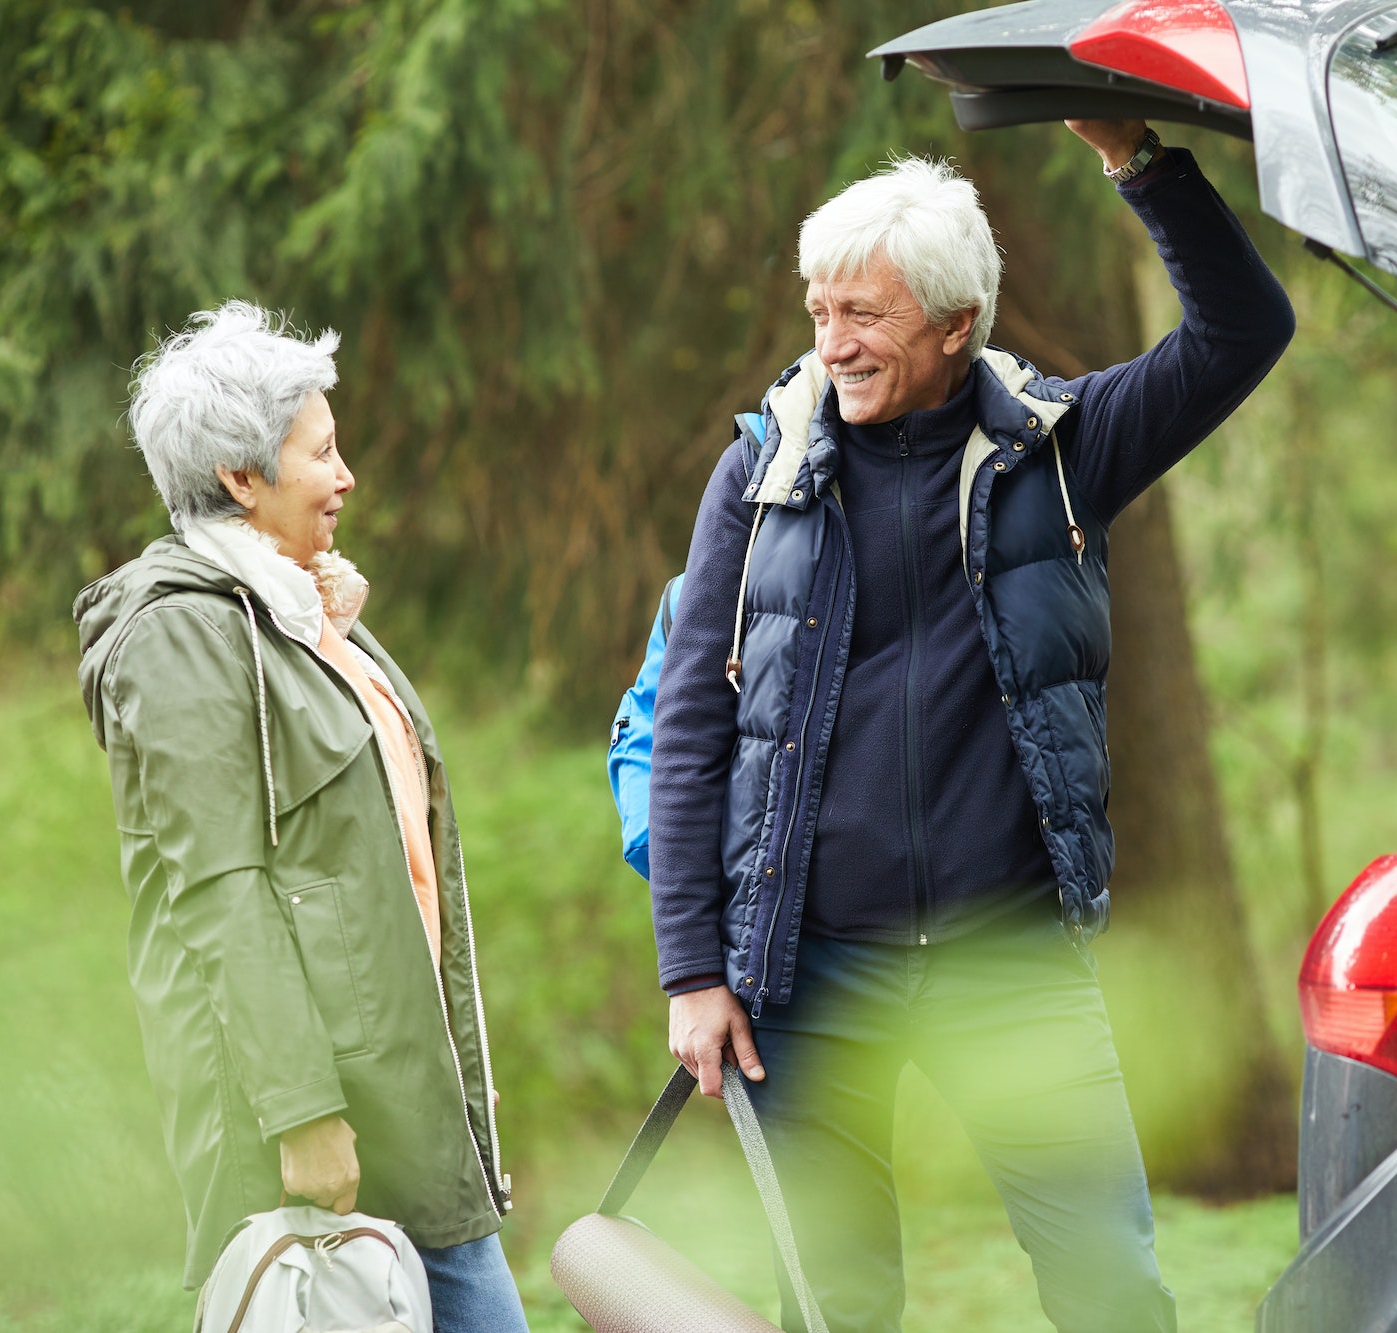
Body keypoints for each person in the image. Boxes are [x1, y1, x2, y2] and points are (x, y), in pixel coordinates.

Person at [647, 119, 1293, 1332]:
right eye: (818, 311)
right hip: (807, 967)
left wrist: (1138, 165)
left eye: (865, 317)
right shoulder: (760, 475)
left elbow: (1241, 334)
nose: (831, 345)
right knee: (832, 1303)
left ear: (956, 324)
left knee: (1111, 1289)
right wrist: (693, 968)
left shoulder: (1060, 450)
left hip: (1013, 965)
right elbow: (693, 728)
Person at [74, 301, 528, 1331]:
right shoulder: (180, 637)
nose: (347, 474)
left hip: (398, 1100)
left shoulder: (294, 615)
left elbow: (380, 870)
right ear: (241, 477)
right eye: (321, 451)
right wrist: (303, 1114)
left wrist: (448, 1067)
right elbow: (223, 889)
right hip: (308, 1124)